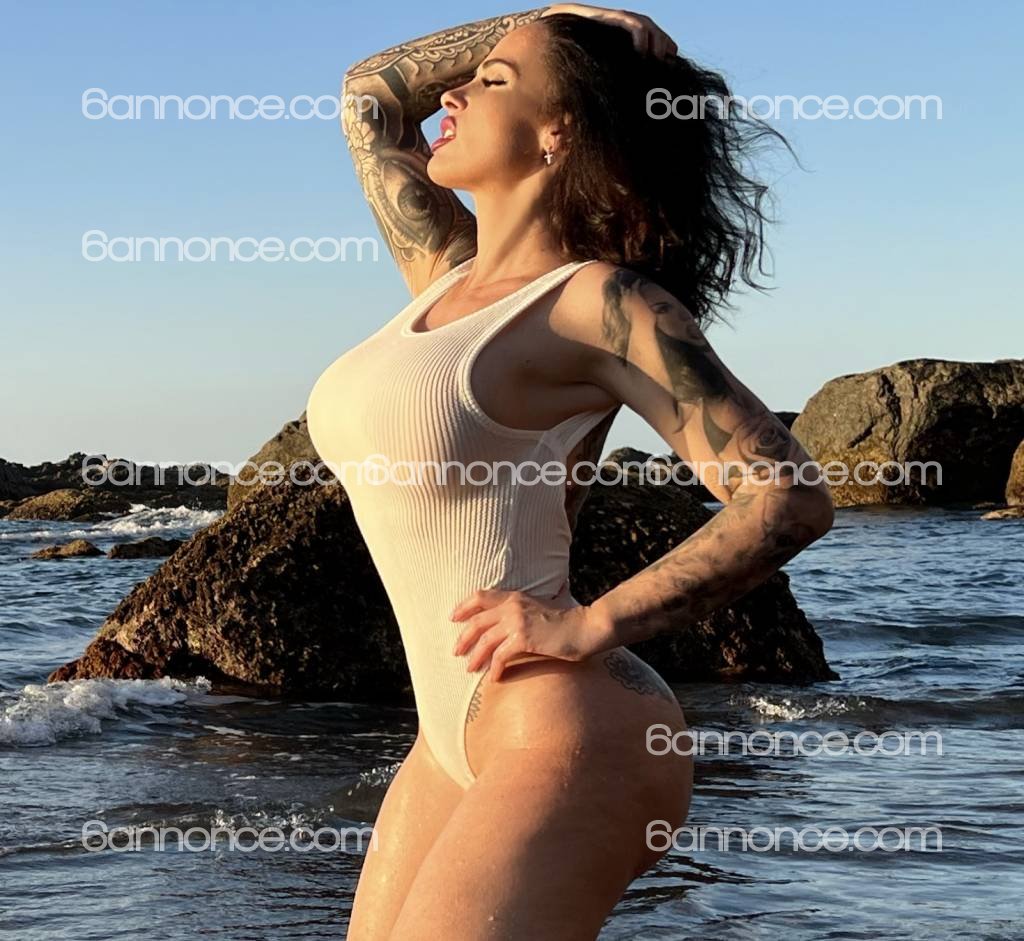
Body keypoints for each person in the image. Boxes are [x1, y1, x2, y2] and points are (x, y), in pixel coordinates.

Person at [305, 5, 835, 938]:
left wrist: (590, 622)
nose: (455, 93)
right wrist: (551, 15)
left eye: (493, 81)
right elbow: (368, 98)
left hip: (569, 732)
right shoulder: (444, 277)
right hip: (447, 736)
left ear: (559, 132)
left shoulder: (598, 302)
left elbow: (787, 496)